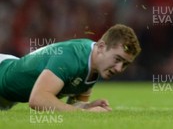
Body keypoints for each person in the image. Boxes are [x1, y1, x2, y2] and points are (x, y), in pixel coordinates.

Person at [0, 24, 141, 112]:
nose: (119, 68)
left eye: (125, 64)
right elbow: (38, 99)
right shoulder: (71, 57)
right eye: (117, 59)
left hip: (7, 92)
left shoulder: (94, 64)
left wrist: (87, 106)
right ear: (102, 47)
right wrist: (84, 113)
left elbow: (71, 107)